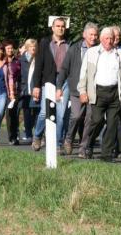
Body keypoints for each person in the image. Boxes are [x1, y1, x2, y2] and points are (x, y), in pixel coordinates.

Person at [77, 27, 121, 161]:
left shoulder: (120, 54)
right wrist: (82, 91)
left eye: (111, 38)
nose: (109, 41)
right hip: (98, 92)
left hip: (115, 93)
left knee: (112, 124)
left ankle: (106, 154)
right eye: (106, 38)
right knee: (97, 121)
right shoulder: (91, 52)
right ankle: (89, 144)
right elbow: (84, 74)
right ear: (101, 39)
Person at [57, 22, 99, 155]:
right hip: (76, 90)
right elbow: (64, 68)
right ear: (84, 35)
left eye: (95, 35)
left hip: (93, 91)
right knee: (76, 116)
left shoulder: (100, 50)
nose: (93, 37)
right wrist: (59, 87)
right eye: (91, 34)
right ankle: (69, 139)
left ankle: (83, 148)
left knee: (89, 119)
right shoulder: (74, 48)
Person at [32, 17, 70, 151]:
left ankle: (57, 144)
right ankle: (37, 136)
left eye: (62, 26)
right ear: (52, 28)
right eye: (58, 26)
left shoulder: (69, 44)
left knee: (60, 114)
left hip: (64, 81)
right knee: (44, 112)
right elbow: (38, 65)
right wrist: (36, 85)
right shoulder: (44, 43)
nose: (60, 28)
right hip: (48, 80)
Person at [19, 39, 39, 144]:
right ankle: (28, 134)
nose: (33, 48)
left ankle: (37, 135)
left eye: (35, 46)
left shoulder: (38, 59)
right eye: (31, 46)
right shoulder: (21, 60)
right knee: (27, 113)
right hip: (25, 90)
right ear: (27, 48)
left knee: (37, 112)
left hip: (36, 89)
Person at [3, 40, 22, 143]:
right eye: (8, 48)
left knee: (15, 113)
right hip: (4, 90)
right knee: (9, 114)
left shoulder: (17, 61)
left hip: (16, 90)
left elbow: (21, 76)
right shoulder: (2, 61)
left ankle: (15, 135)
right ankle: (11, 136)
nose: (10, 50)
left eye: (11, 48)